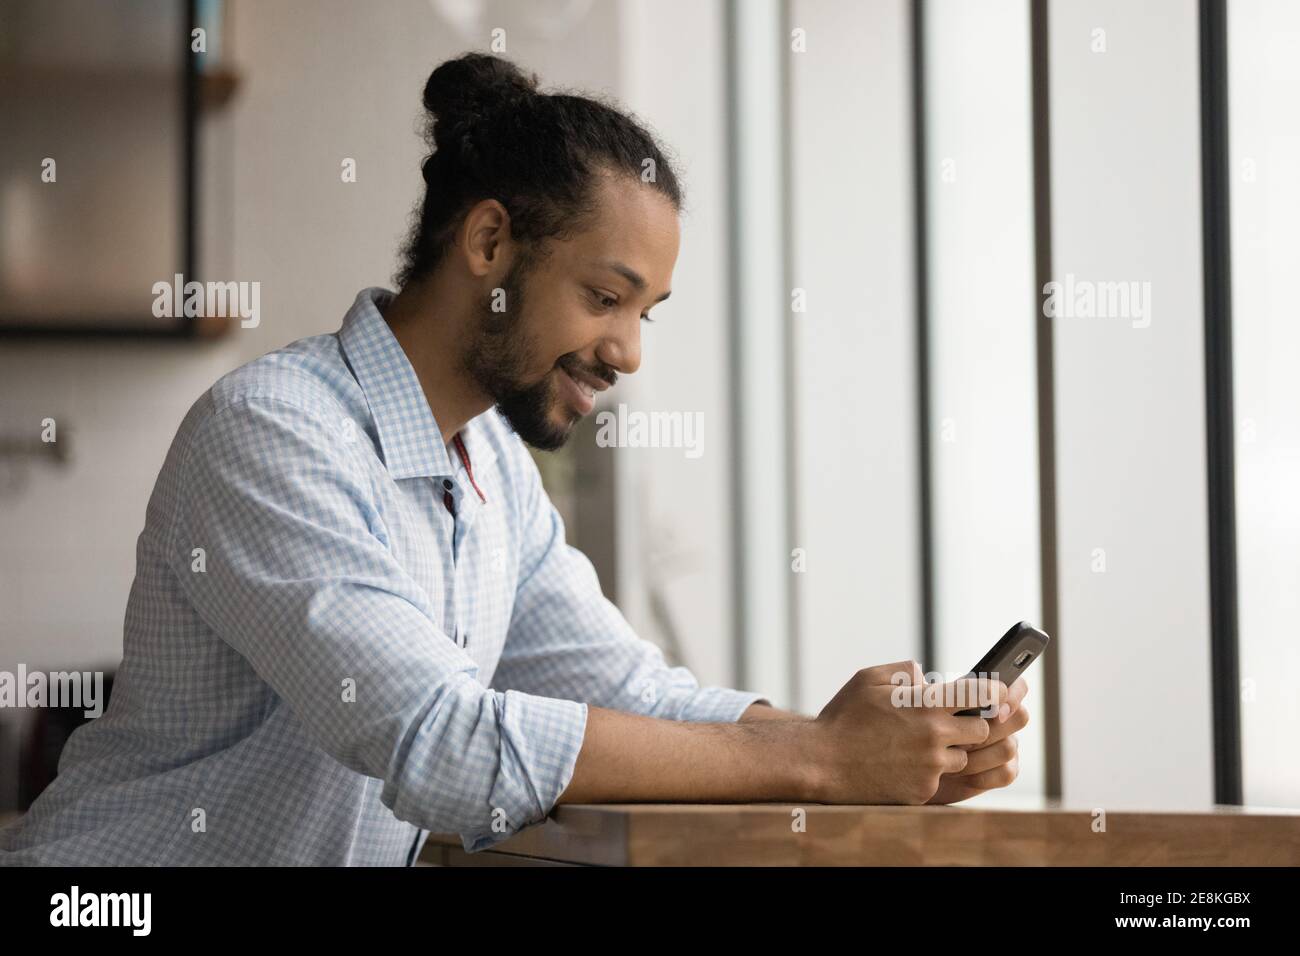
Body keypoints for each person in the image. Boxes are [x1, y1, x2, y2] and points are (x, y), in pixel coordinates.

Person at [0, 53, 1027, 866]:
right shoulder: (274, 430)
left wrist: (870, 749)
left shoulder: (491, 473)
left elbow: (633, 693)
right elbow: (440, 741)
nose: (627, 351)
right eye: (604, 296)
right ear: (488, 244)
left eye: (646, 312)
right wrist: (816, 759)